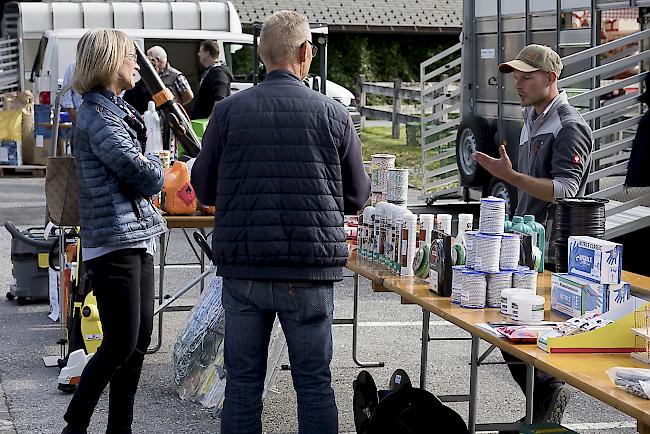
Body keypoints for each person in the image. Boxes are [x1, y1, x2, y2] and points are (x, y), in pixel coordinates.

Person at [191, 10, 371, 434]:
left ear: (260, 53)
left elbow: (203, 188)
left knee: (242, 385)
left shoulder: (227, 112)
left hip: (245, 268)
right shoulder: (333, 114)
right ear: (306, 52)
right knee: (313, 384)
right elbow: (357, 195)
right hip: (308, 269)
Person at [474, 44, 594, 432]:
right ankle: (543, 406)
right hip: (527, 244)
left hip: (555, 251)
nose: (519, 85)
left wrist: (509, 177)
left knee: (519, 330)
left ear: (551, 78)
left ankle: (547, 397)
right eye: (516, 78)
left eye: (527, 77)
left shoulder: (569, 125)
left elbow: (565, 191)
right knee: (509, 330)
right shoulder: (531, 115)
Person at [60, 28, 167, 434]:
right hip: (114, 241)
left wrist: (149, 163)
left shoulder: (113, 109)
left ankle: (120, 425)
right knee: (120, 342)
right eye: (129, 56)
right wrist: (155, 164)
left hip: (133, 236)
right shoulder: (97, 115)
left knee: (138, 341)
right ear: (107, 62)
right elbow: (141, 173)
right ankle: (76, 423)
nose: (136, 64)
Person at [190, 39, 233, 119]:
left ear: (207, 53)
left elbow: (220, 99)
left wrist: (212, 120)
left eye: (200, 51)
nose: (198, 54)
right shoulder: (210, 71)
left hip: (209, 123)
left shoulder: (218, 72)